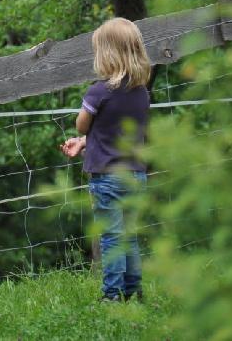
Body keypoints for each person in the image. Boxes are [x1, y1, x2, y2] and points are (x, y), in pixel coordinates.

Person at [61, 17, 151, 303]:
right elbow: (116, 130)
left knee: (111, 238)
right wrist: (87, 143)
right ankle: (133, 290)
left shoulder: (99, 91)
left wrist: (82, 136)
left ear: (107, 53)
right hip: (135, 176)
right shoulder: (142, 94)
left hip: (107, 177)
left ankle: (112, 296)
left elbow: (82, 125)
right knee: (130, 237)